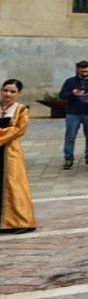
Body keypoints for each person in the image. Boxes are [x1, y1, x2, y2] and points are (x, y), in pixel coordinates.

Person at [0, 79, 35, 234]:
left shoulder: (21, 110)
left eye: (12, 91)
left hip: (10, 151)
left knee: (14, 184)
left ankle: (21, 221)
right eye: (6, 90)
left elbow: (19, 129)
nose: (8, 94)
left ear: (19, 93)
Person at [59, 60, 88, 170]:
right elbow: (62, 95)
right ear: (78, 70)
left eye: (86, 71)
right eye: (82, 71)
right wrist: (72, 93)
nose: (84, 73)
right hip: (73, 113)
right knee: (70, 137)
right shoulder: (70, 81)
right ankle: (68, 159)